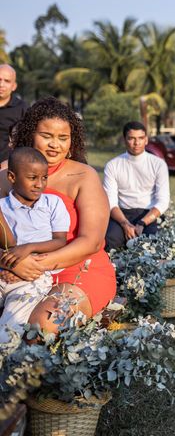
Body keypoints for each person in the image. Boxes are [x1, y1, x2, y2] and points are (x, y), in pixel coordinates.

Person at [0, 96, 116, 334]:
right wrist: (11, 264)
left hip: (77, 270)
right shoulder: (5, 173)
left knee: (42, 325)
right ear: (30, 134)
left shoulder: (83, 176)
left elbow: (91, 241)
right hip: (13, 268)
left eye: (63, 138)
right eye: (46, 136)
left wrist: (34, 265)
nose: (55, 145)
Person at [0, 148, 69, 342]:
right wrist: (7, 267)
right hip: (3, 271)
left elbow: (59, 241)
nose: (39, 184)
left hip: (33, 279)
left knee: (9, 328)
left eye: (44, 178)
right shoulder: (3, 207)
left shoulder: (52, 203)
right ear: (12, 177)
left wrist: (28, 247)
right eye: (32, 178)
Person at [103, 121, 170, 251]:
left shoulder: (158, 164)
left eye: (140, 138)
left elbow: (163, 201)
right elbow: (110, 202)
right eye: (131, 138)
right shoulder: (113, 165)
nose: (136, 143)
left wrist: (142, 223)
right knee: (110, 241)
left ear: (146, 140)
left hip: (148, 213)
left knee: (151, 246)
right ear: (125, 140)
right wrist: (125, 224)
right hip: (122, 214)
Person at [0, 64, 28, 162]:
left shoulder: (22, 108)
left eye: (7, 81)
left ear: (14, 86)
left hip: (8, 166)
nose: (1, 84)